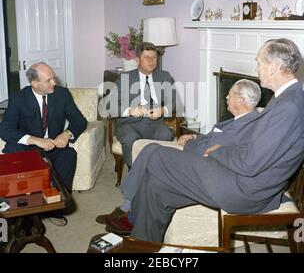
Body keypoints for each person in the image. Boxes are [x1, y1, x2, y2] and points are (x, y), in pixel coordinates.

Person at [110, 38, 304, 242]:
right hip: (241, 178)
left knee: (156, 154)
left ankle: (128, 211)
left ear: (273, 67)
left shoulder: (289, 106)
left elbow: (250, 162)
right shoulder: (287, 98)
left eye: (259, 63)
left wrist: (217, 149)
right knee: (157, 187)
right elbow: (257, 145)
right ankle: (142, 244)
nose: (257, 68)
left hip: (244, 189)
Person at [97, 79, 262, 233]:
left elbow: (211, 150)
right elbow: (215, 139)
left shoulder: (246, 125)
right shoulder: (239, 119)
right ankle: (128, 210)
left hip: (203, 165)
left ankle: (126, 210)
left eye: (231, 94)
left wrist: (190, 143)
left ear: (240, 101)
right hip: (198, 151)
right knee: (150, 150)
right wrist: (196, 136)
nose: (226, 96)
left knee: (153, 152)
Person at [0, 62, 87, 193]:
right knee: (12, 149)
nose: (54, 82)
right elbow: (5, 129)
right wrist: (35, 140)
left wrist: (67, 134)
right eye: (48, 80)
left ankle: (58, 198)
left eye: (54, 77)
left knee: (69, 155)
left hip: (54, 145)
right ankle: (26, 199)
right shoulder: (18, 98)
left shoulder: (62, 94)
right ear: (35, 84)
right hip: (28, 148)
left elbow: (79, 120)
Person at [104, 41, 175, 169]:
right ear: (137, 60)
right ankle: (135, 173)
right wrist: (129, 110)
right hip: (129, 124)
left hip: (155, 124)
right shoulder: (126, 77)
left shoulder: (164, 76)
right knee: (130, 138)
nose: (151, 61)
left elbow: (174, 103)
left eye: (154, 57)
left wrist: (163, 110)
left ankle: (157, 171)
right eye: (146, 57)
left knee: (165, 134)